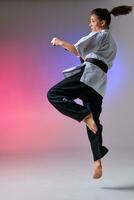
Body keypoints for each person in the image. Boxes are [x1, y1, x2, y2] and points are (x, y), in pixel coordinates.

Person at [47, 5, 133, 179]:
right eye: (90, 22)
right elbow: (91, 56)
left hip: (89, 76)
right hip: (99, 84)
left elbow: (76, 49)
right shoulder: (112, 44)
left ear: (102, 22)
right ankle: (97, 162)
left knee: (53, 94)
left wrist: (59, 42)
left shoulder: (100, 35)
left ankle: (84, 116)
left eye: (93, 21)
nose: (90, 25)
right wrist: (84, 56)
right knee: (94, 122)